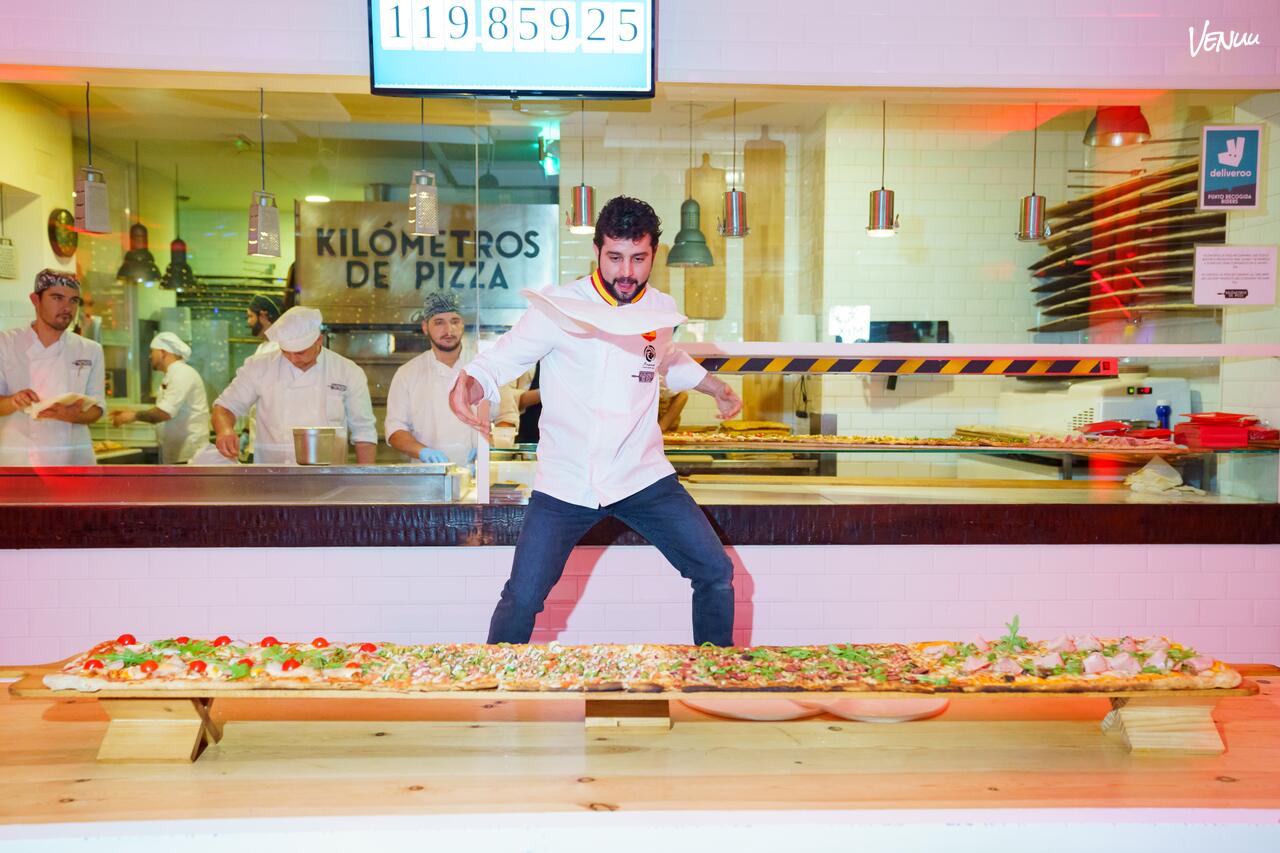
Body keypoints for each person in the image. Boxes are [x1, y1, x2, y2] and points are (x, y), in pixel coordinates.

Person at [449, 196, 744, 646]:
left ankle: (717, 676)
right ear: (597, 251)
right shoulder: (559, 306)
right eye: (615, 257)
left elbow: (665, 357)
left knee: (715, 571)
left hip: (641, 475)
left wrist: (715, 387)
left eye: (638, 258)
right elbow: (502, 359)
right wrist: (468, 384)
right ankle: (494, 685)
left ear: (654, 254)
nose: (626, 271)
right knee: (523, 597)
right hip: (566, 480)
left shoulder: (661, 309)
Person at [211, 306, 377, 464]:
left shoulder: (347, 371)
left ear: (318, 340)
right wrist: (225, 430)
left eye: (300, 352)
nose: (292, 359)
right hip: (272, 473)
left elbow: (364, 431)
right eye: (285, 352)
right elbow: (225, 407)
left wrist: (367, 478)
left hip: (329, 475)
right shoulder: (259, 366)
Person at [0, 269, 104, 466]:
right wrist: (14, 401)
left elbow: (98, 409)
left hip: (74, 461)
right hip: (19, 461)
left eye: (74, 300)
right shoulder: (5, 344)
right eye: (57, 298)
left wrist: (69, 414)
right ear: (35, 300)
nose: (67, 307)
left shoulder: (91, 350)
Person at [385, 292, 485, 465]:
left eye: (454, 321)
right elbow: (395, 430)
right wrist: (421, 451)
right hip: (428, 475)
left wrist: (488, 449)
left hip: (478, 474)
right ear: (425, 327)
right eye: (439, 322)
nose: (449, 330)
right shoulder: (407, 374)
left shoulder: (484, 367)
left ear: (462, 324)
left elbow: (506, 418)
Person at [108, 332, 210, 464]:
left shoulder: (182, 373)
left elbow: (164, 413)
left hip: (188, 455)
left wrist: (133, 416)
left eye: (152, 351)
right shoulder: (173, 374)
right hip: (178, 454)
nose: (150, 356)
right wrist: (131, 412)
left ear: (163, 352)